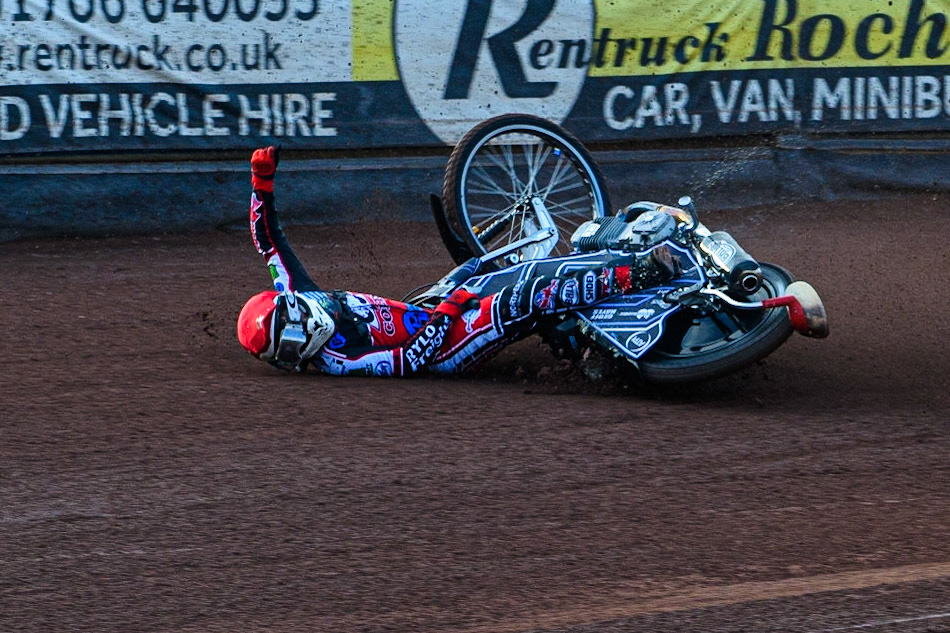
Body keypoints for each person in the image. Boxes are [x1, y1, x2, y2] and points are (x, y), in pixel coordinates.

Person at [236, 146, 670, 376]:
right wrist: (449, 310)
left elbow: (267, 240)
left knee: (489, 266)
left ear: (290, 310)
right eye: (289, 353)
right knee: (522, 298)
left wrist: (262, 181)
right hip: (445, 348)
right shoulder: (339, 360)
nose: (298, 347)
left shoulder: (299, 293)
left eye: (289, 337)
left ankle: (577, 321)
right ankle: (637, 274)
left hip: (427, 307)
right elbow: (409, 361)